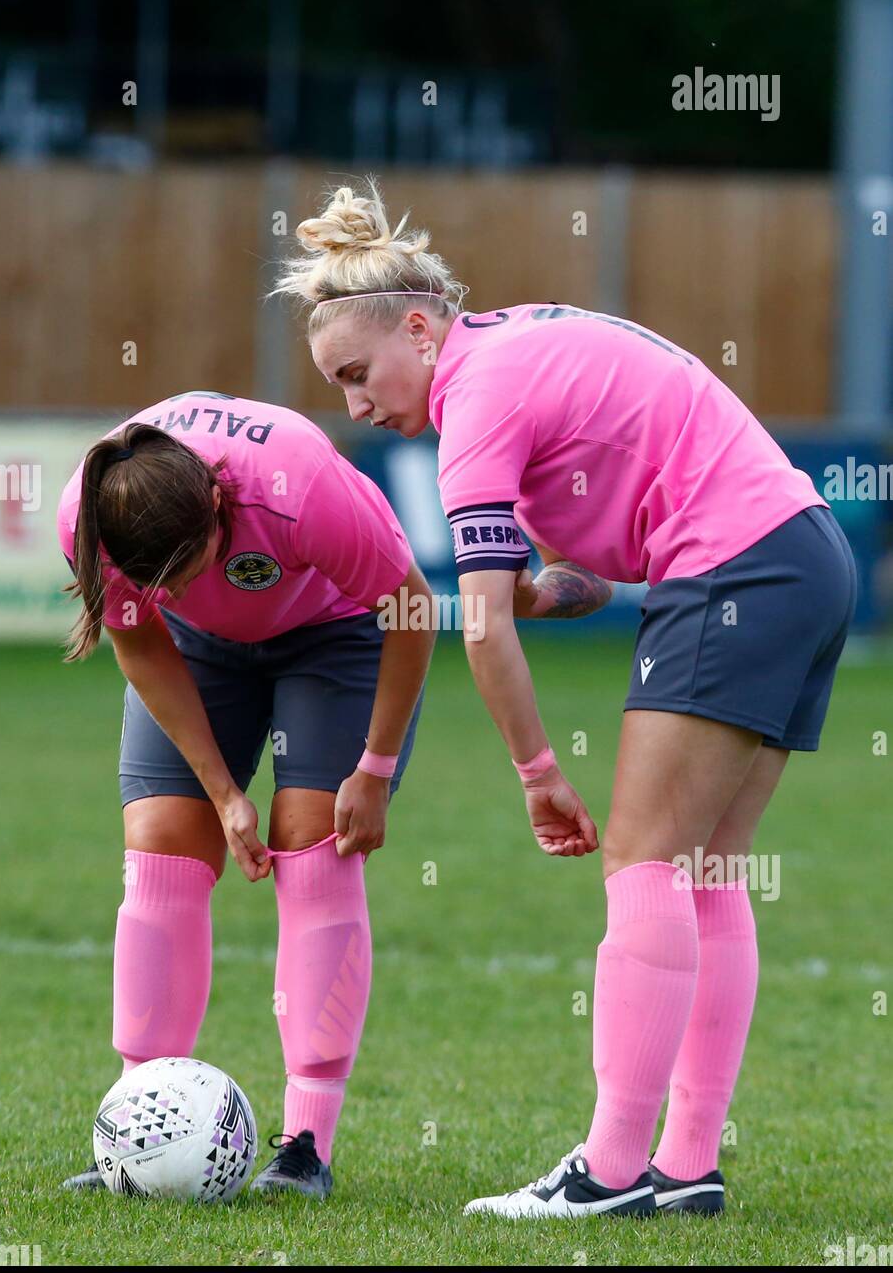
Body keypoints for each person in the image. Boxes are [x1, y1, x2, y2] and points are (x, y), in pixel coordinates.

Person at [273, 181, 858, 1219]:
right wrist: (546, 591)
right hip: (804, 555)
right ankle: (684, 1167)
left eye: (359, 376)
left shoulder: (476, 396)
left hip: (734, 568)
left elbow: (484, 624)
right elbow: (547, 586)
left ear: (420, 326)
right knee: (707, 867)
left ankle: (610, 1171)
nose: (356, 407)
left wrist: (538, 776)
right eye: (338, 389)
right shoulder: (512, 344)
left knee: (642, 861)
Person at [56, 391, 435, 1198]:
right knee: (161, 841)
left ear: (220, 509)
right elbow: (143, 641)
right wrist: (224, 793)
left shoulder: (301, 489)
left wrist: (373, 767)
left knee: (312, 842)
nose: (175, 587)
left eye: (185, 572)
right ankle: (137, 1125)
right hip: (200, 654)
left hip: (339, 633)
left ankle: (306, 1145)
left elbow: (411, 611)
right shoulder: (93, 516)